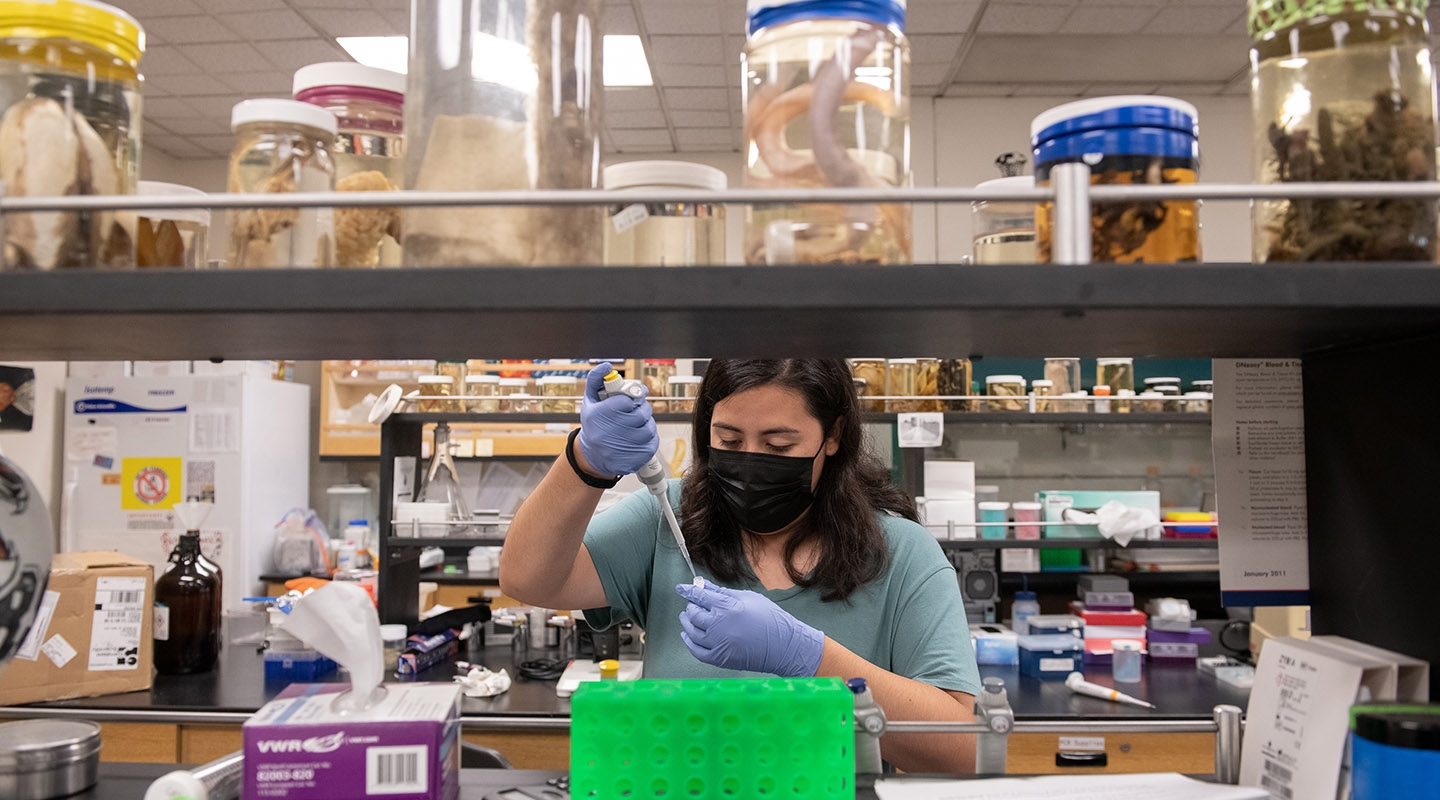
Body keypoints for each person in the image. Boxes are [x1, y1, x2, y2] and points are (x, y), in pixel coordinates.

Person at [502, 360, 980, 773]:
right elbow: (527, 578)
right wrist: (585, 461)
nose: (750, 460)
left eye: (778, 446)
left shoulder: (901, 552)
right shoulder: (668, 516)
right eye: (728, 438)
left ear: (832, 436)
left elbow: (961, 749)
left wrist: (810, 658)